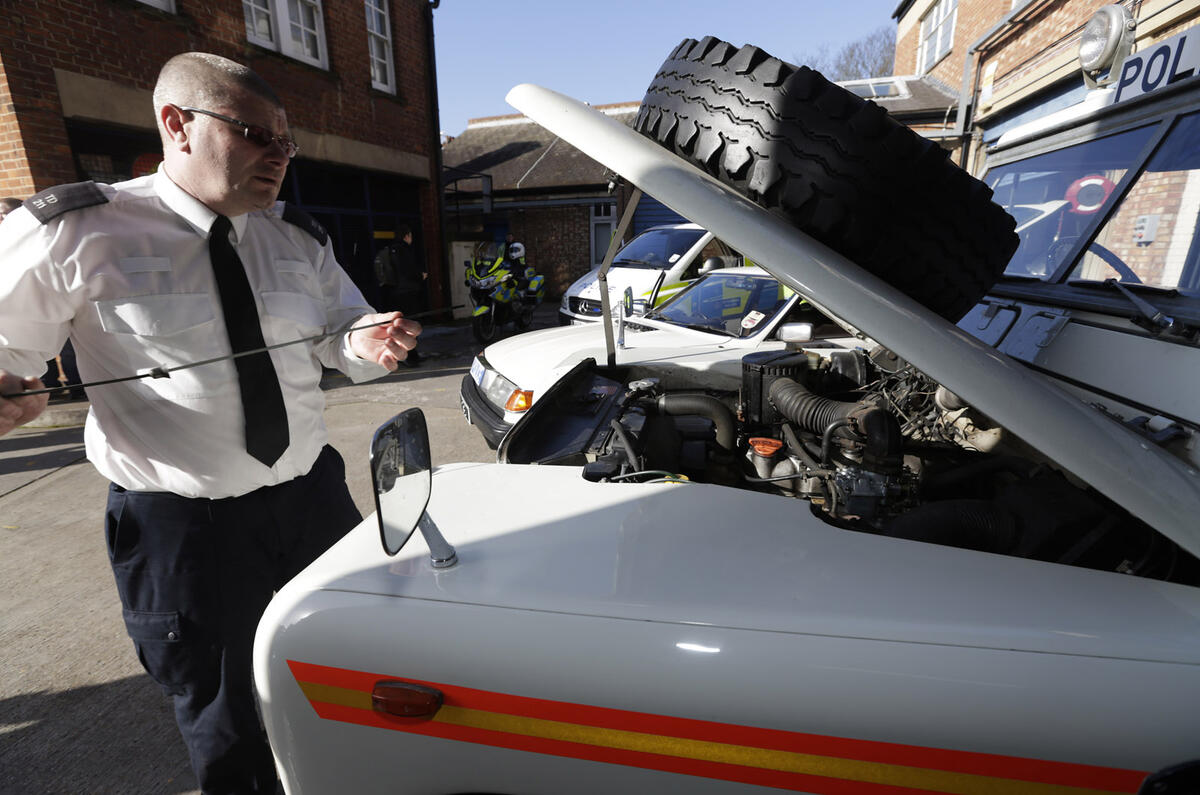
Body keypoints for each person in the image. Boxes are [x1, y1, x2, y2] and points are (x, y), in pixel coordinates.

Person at [0, 52, 420, 794]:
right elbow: (5, 359)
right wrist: (12, 395)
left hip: (312, 501)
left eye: (287, 143)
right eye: (258, 134)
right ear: (177, 124)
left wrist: (364, 341)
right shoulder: (80, 230)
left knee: (348, 675)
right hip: (187, 530)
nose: (278, 157)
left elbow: (339, 330)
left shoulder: (295, 236)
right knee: (229, 721)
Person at [373, 222, 426, 365]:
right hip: (408, 293)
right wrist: (421, 276)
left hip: (394, 293)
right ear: (407, 236)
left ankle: (402, 355)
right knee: (410, 326)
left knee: (397, 325)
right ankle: (411, 357)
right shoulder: (405, 250)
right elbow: (409, 272)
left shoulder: (390, 250)